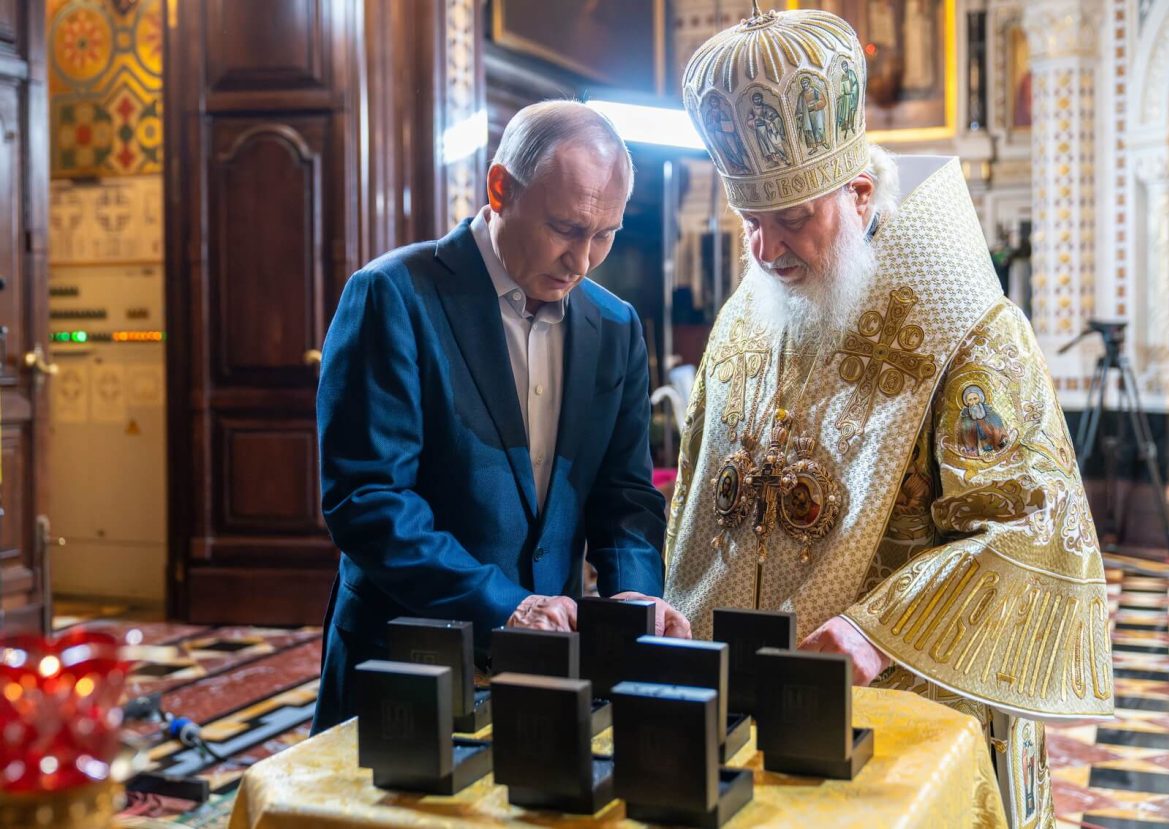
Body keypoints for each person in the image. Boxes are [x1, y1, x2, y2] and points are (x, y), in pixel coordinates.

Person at [673, 7, 1112, 827]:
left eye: (794, 218)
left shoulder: (969, 331)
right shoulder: (744, 319)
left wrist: (879, 631)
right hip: (740, 723)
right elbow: (698, 503)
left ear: (860, 191)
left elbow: (1035, 529)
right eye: (752, 222)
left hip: (902, 714)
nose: (766, 252)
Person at [313, 100, 690, 733]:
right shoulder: (392, 295)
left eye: (606, 235)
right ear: (499, 188)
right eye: (566, 228)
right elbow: (368, 500)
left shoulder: (616, 326)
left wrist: (632, 594)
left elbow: (624, 494)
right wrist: (506, 607)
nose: (583, 260)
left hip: (548, 673)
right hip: (407, 658)